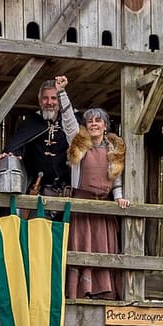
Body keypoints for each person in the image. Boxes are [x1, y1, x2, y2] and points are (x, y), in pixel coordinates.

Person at [64, 107, 127, 299]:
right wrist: (61, 93)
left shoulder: (113, 149)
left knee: (102, 248)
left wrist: (119, 197)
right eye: (90, 121)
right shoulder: (79, 145)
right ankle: (81, 291)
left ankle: (104, 291)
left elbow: (116, 180)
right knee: (82, 247)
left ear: (105, 125)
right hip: (82, 204)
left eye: (98, 121)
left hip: (103, 208)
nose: (94, 124)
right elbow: (68, 123)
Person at [3, 76, 80, 196]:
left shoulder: (71, 124)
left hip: (66, 190)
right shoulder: (31, 123)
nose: (49, 102)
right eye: (45, 98)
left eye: (54, 98)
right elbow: (15, 147)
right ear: (40, 102)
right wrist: (14, 154)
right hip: (37, 189)